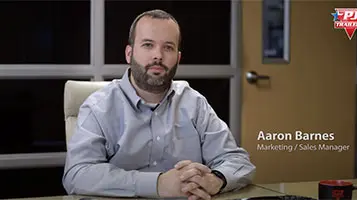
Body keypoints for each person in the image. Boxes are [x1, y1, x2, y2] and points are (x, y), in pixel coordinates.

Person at [62, 9, 256, 200]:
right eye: (148, 45)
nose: (158, 56)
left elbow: (238, 161)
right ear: (129, 54)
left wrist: (215, 180)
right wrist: (158, 184)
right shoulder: (98, 107)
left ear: (178, 58)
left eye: (168, 47)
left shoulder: (195, 103)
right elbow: (77, 174)